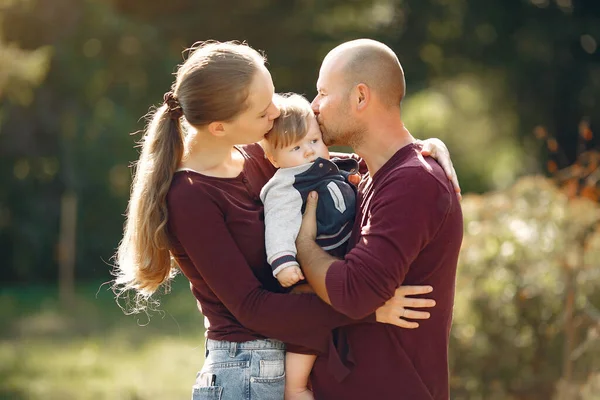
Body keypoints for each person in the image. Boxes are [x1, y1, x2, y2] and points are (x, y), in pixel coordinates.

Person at [113, 40, 458, 400]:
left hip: (285, 361)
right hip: (243, 371)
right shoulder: (190, 195)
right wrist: (369, 309)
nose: (278, 114)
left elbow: (338, 162)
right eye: (263, 112)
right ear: (220, 127)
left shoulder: (256, 160)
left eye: (273, 99)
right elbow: (252, 307)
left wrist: (424, 148)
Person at [296, 39, 464, 400]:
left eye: (323, 92)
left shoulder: (414, 182)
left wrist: (304, 247)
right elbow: (277, 153)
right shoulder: (365, 171)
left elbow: (354, 293)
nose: (314, 106)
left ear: (360, 97)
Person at [261, 93, 364, 399]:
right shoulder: (285, 184)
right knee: (309, 331)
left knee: (334, 328)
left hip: (341, 260)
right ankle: (295, 387)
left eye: (314, 141)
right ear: (274, 159)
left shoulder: (332, 164)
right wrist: (284, 262)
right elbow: (278, 223)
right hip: (311, 270)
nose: (309, 152)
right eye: (295, 147)